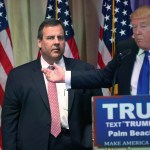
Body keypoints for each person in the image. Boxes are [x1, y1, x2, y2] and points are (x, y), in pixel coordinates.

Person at [2, 18, 103, 150]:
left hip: (77, 144)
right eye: (50, 38)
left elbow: (98, 112)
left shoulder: (85, 71)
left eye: (60, 38)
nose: (56, 42)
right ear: (39, 42)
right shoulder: (19, 76)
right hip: (34, 144)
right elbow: (9, 120)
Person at [42, 5, 150, 96]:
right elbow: (103, 77)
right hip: (130, 118)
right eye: (135, 27)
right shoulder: (127, 49)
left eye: (143, 26)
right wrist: (65, 76)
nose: (137, 32)